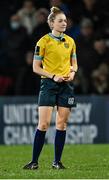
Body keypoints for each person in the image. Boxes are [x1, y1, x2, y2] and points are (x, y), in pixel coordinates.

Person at [23, 6, 78, 170]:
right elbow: (35, 67)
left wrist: (72, 72)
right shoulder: (43, 41)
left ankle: (57, 162)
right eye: (60, 21)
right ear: (52, 23)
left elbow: (74, 64)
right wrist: (53, 76)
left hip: (66, 85)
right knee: (44, 124)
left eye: (65, 21)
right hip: (48, 84)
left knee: (62, 124)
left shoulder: (70, 41)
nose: (64, 23)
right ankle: (34, 162)